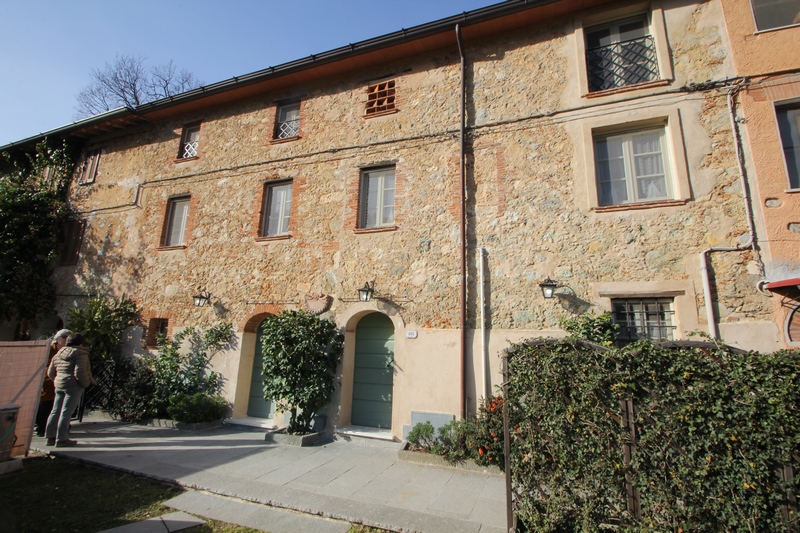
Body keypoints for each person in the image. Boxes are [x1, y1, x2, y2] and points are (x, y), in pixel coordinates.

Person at [45, 333, 93, 447]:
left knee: (55, 411)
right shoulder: (81, 354)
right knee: (66, 412)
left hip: (59, 385)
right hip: (73, 385)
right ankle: (62, 439)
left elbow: (50, 372)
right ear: (81, 343)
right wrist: (85, 384)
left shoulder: (59, 353)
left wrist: (57, 380)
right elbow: (79, 372)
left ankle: (50, 437)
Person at [35, 329, 72, 436]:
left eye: (69, 337)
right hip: (48, 382)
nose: (67, 339)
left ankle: (61, 428)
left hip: (63, 383)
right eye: (65, 337)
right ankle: (42, 428)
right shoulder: (49, 350)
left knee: (61, 407)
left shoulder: (68, 351)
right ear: (58, 338)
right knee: (46, 406)